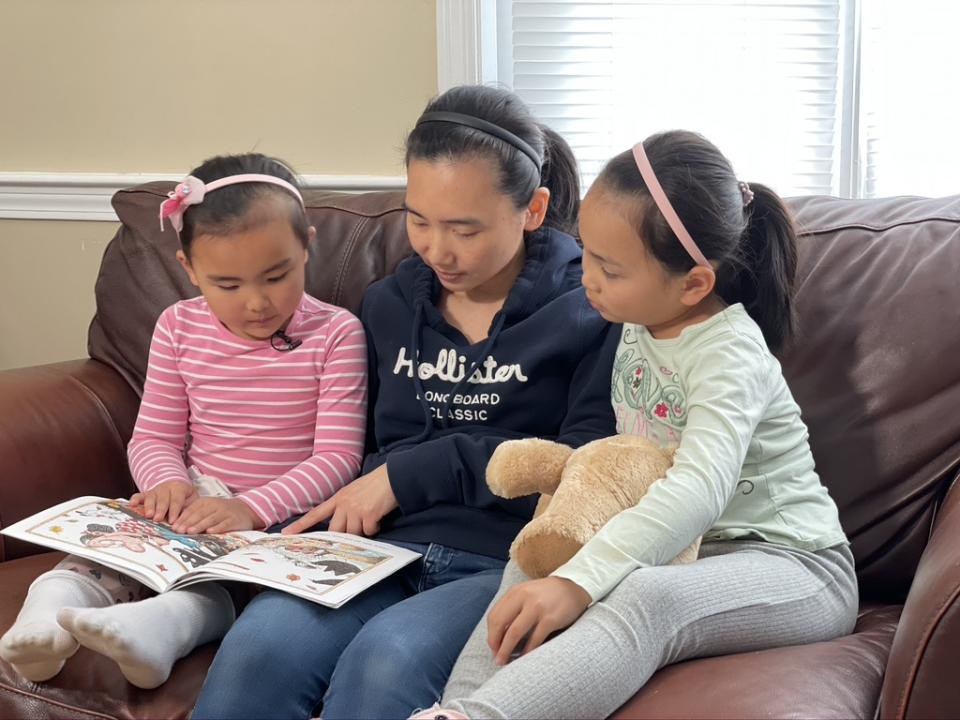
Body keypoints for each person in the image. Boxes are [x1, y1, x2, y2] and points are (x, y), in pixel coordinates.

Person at [191, 85, 618, 720]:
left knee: (384, 663)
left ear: (533, 210)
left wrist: (412, 473)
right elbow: (338, 441)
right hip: (372, 549)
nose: (436, 250)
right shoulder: (388, 305)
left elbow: (586, 465)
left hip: (500, 558)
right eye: (418, 219)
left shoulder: (591, 310)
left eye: (463, 229)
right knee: (257, 650)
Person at [414, 130, 859, 720]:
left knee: (641, 594)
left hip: (794, 565)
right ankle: (455, 709)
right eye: (586, 254)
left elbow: (698, 490)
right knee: (541, 545)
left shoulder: (730, 354)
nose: (587, 279)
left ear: (694, 283)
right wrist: (566, 561)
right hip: (691, 553)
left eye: (609, 269)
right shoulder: (639, 321)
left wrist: (582, 583)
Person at [0, 153, 368, 689]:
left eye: (277, 275)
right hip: (193, 503)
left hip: (284, 518)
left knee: (218, 592)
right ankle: (47, 615)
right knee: (104, 555)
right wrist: (167, 483)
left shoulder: (337, 333)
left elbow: (339, 458)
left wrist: (250, 507)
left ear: (307, 245)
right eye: (227, 284)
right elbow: (154, 435)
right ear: (189, 268)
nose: (258, 303)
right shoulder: (178, 326)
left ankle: (150, 634)